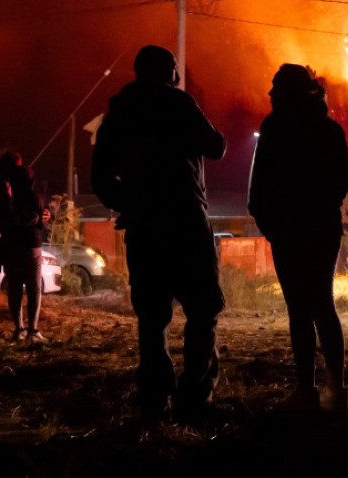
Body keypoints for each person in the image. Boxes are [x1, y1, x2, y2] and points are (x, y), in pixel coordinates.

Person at [91, 45, 226, 420]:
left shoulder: (119, 113)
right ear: (170, 72)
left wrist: (128, 203)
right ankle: (195, 395)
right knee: (203, 308)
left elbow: (100, 174)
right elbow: (215, 147)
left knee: (152, 316)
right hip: (186, 223)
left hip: (145, 227)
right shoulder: (178, 103)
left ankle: (155, 397)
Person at [248, 64, 348, 413]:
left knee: (300, 308)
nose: (271, 94)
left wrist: (270, 222)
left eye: (276, 88)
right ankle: (335, 390)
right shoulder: (328, 129)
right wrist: (320, 206)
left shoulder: (275, 128)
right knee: (322, 305)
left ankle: (308, 391)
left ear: (288, 92)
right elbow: (342, 180)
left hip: (289, 228)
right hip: (321, 227)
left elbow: (258, 184)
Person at [0, 152, 48, 343]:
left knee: (15, 286)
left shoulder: (2, 189)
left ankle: (20, 328)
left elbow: (6, 217)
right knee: (33, 287)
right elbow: (35, 216)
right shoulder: (29, 193)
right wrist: (40, 218)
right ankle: (32, 329)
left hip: (10, 242)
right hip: (30, 242)